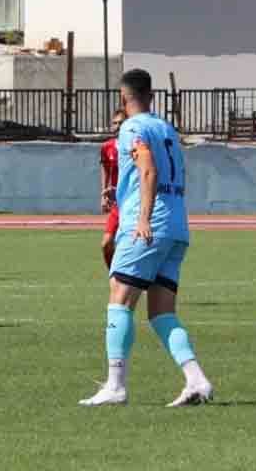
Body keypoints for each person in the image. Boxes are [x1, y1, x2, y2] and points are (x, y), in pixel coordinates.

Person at [79, 69, 212, 407]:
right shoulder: (166, 128)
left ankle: (115, 386)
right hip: (177, 225)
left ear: (123, 98)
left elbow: (148, 169)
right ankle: (197, 380)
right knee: (162, 313)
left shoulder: (131, 128)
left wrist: (141, 217)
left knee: (119, 301)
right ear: (151, 95)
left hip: (148, 225)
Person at [99, 109, 127, 268]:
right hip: (118, 203)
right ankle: (114, 274)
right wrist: (103, 194)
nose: (117, 126)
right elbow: (105, 168)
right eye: (115, 123)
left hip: (133, 203)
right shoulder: (107, 147)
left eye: (121, 123)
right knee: (106, 244)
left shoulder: (136, 146)